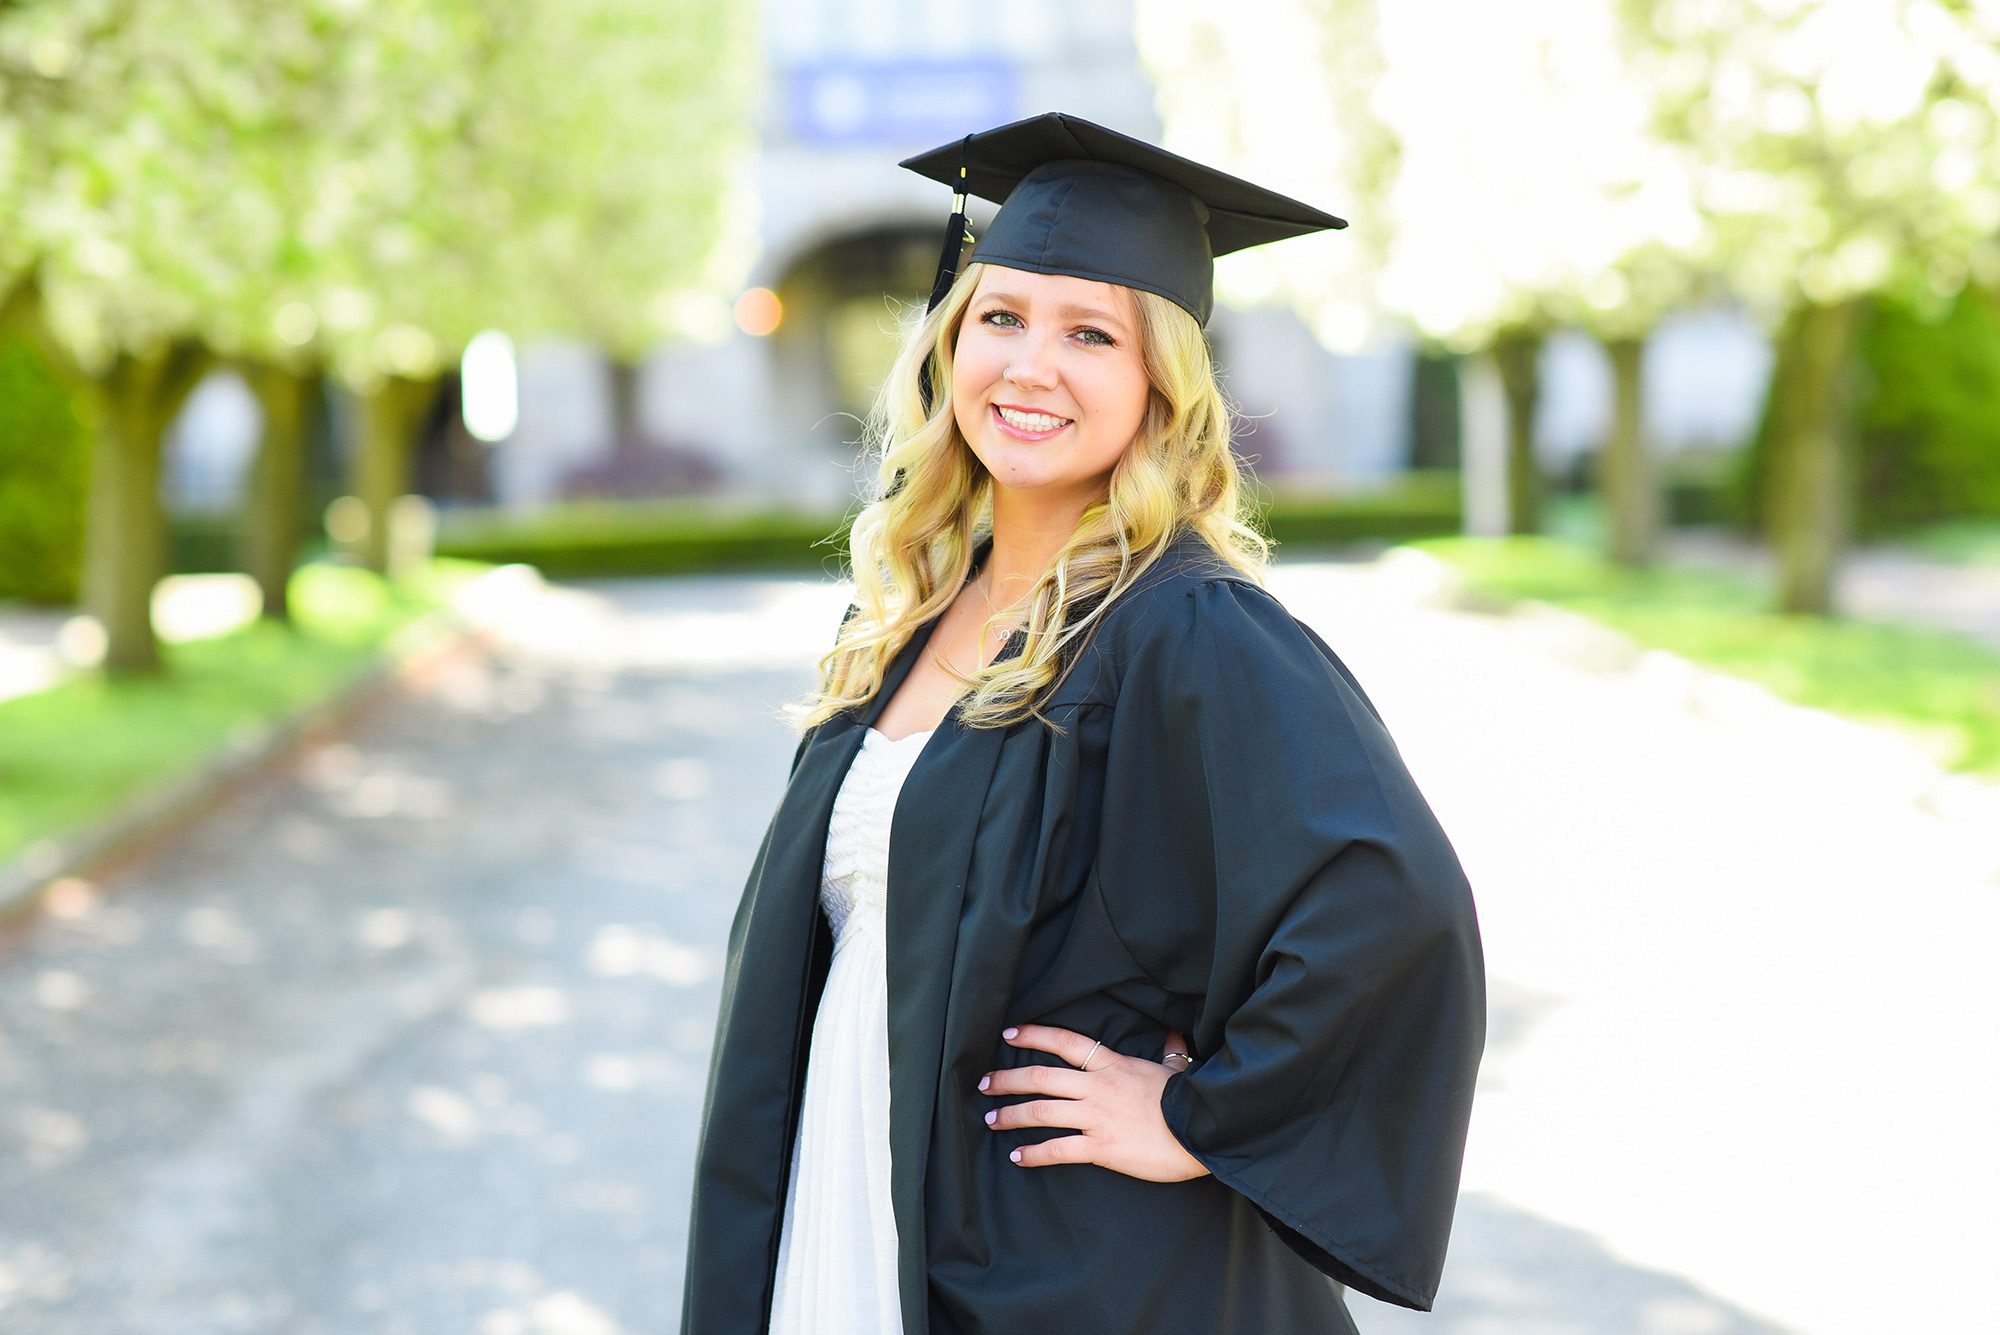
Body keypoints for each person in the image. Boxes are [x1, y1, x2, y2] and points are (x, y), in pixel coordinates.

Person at [680, 111, 1485, 1335]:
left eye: (1089, 332)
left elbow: (1390, 908)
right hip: (853, 1204)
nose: (1028, 365)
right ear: (949, 346)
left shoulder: (1186, 626)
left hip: (1071, 1270)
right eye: (999, 317)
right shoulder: (914, 611)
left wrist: (1191, 1118)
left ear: (1159, 382)